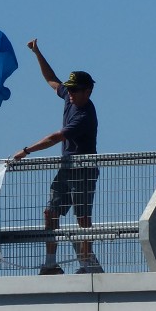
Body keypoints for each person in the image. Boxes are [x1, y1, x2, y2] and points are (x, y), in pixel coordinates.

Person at [11, 39, 101, 275]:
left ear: (87, 91)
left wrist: (27, 150)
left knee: (82, 216)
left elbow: (56, 137)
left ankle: (86, 263)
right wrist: (37, 53)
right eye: (69, 89)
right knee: (50, 212)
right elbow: (52, 80)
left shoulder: (84, 115)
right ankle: (50, 262)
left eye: (74, 89)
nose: (69, 93)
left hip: (83, 169)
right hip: (66, 168)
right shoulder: (69, 98)